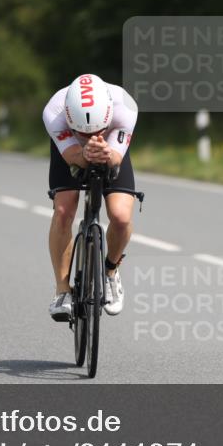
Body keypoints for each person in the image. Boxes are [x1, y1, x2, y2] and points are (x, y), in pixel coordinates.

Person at [44, 74, 138, 321]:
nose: (92, 136)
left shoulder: (124, 107)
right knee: (63, 210)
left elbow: (116, 159)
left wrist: (107, 153)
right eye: (84, 132)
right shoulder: (54, 112)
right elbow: (73, 156)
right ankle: (62, 290)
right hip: (70, 149)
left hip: (112, 145)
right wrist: (82, 151)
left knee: (120, 215)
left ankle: (110, 270)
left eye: (98, 130)